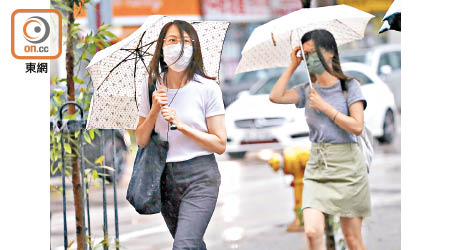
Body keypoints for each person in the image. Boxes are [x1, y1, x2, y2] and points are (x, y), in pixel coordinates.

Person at [269, 29, 371, 250]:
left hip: (348, 167)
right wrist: (292, 66)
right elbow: (275, 96)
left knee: (352, 239)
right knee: (312, 231)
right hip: (318, 165)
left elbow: (357, 126)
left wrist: (325, 107)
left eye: (314, 52)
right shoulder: (307, 90)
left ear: (331, 53)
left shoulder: (349, 87)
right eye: (305, 54)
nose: (310, 59)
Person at [135, 20, 226, 250]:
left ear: (195, 48)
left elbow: (220, 143)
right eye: (173, 41)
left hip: (201, 176)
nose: (180, 47)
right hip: (165, 177)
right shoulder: (150, 86)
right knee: (191, 245)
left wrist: (182, 125)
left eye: (186, 41)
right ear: (162, 48)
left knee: (183, 246)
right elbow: (141, 140)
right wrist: (155, 109)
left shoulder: (207, 88)